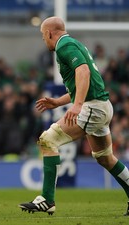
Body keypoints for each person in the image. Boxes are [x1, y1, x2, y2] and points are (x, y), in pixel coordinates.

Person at [19, 16, 129, 216]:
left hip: (92, 107)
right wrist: (58, 102)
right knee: (105, 158)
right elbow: (81, 82)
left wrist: (77, 105)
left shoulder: (63, 46)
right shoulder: (74, 43)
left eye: (43, 35)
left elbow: (84, 72)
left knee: (47, 140)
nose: (43, 39)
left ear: (50, 33)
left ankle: (47, 199)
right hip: (102, 105)